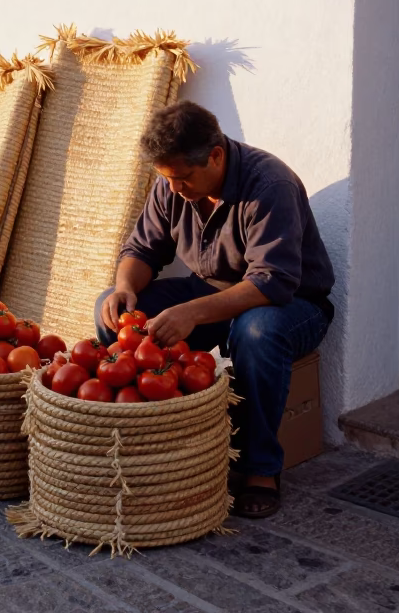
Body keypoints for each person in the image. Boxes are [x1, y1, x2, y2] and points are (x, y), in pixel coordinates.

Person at [95, 101, 334, 519]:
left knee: (256, 333)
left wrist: (191, 313)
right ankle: (152, 442)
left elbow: (272, 282)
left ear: (216, 156)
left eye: (183, 179)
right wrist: (124, 288)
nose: (174, 190)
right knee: (108, 309)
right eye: (166, 180)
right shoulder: (173, 183)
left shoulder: (269, 183)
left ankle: (260, 469)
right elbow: (142, 249)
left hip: (292, 305)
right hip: (208, 293)